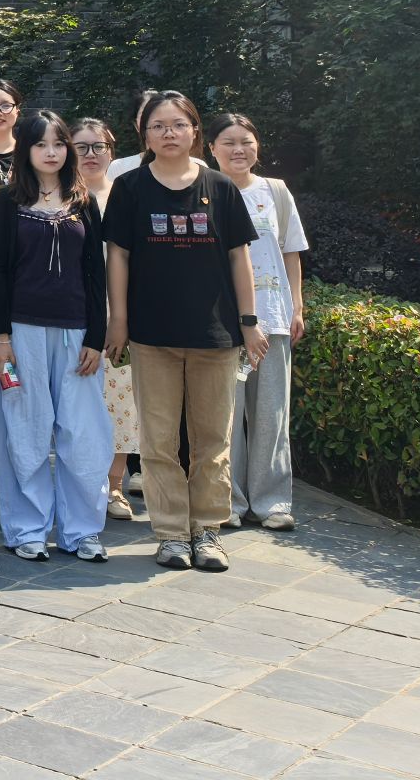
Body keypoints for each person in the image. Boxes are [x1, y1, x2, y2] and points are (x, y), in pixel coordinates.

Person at [104, 91, 264, 573]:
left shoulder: (221, 186)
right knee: (158, 441)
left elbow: (239, 257)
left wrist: (249, 322)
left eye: (177, 124)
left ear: (195, 131)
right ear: (145, 135)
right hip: (152, 335)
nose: (168, 133)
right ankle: (172, 532)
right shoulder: (130, 187)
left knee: (212, 439)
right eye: (158, 126)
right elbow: (118, 256)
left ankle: (208, 530)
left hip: (215, 335)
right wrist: (119, 319)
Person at [0, 110, 113, 563]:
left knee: (83, 432)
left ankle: (83, 531)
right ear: (25, 149)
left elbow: (95, 273)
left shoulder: (84, 201)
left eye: (59, 144)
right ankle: (27, 528)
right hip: (21, 330)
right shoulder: (7, 200)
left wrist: (96, 336)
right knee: (25, 428)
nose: (51, 152)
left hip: (77, 331)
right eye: (41, 144)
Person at [204, 113, 307, 532]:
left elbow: (291, 252)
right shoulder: (204, 190)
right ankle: (226, 499)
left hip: (273, 317)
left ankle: (271, 501)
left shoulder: (275, 191)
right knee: (224, 416)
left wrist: (296, 306)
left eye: (246, 141)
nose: (238, 150)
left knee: (271, 414)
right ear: (211, 148)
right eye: (228, 142)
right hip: (222, 321)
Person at [74, 118, 143, 521]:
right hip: (70, 314)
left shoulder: (127, 194)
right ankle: (78, 484)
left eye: (98, 146)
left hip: (120, 314)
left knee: (119, 404)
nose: (91, 155)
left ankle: (114, 485)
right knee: (75, 405)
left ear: (111, 152)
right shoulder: (60, 198)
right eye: (81, 147)